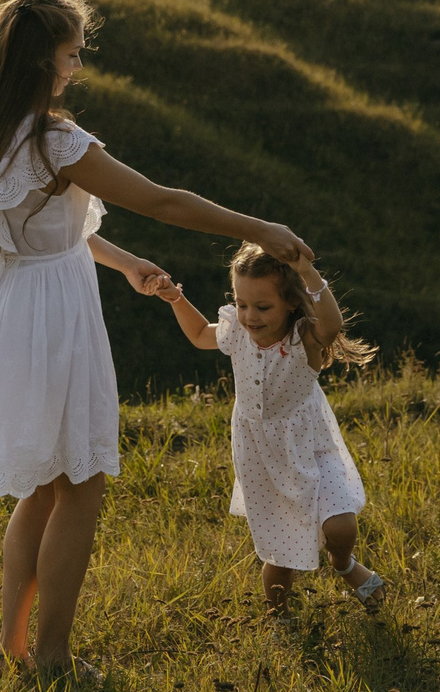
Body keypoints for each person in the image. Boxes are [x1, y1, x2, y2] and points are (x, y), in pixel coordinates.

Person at [0, 0, 310, 677]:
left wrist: (123, 261)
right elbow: (162, 200)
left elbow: (47, 227)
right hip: (52, 315)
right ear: (42, 60)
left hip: (8, 301)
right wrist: (258, 225)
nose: (78, 67)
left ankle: (17, 646)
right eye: (72, 54)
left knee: (43, 485)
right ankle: (52, 656)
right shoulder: (57, 140)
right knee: (78, 483)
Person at [151, 243, 386, 612]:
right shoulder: (236, 333)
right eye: (242, 304)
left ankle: (344, 565)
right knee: (280, 554)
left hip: (309, 442)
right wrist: (175, 298)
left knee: (341, 526)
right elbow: (198, 334)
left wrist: (307, 272)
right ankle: (279, 618)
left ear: (291, 301)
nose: (249, 316)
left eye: (263, 307)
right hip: (262, 454)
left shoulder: (303, 338)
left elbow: (332, 324)